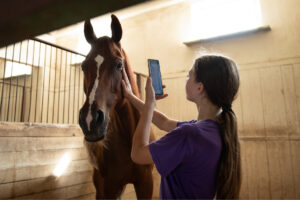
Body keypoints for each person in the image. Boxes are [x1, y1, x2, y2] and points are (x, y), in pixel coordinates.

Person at [121, 54, 241, 199]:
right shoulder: (214, 129)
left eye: (188, 76)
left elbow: (138, 154)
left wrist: (149, 106)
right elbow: (163, 122)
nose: (186, 79)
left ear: (200, 87)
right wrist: (131, 96)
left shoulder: (189, 134)